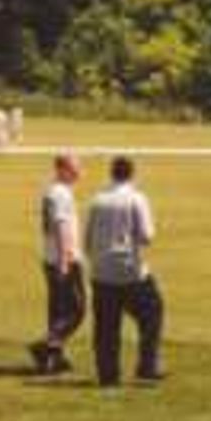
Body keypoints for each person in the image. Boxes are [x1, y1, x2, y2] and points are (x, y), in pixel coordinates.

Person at [85, 155, 165, 386]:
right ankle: (147, 366)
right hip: (130, 270)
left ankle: (108, 375)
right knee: (152, 314)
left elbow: (88, 239)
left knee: (106, 327)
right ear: (132, 173)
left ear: (112, 173)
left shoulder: (97, 199)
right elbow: (147, 236)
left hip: (101, 272)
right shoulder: (136, 199)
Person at [29, 153, 86, 375]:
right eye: (74, 167)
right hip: (64, 259)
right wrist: (65, 260)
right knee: (77, 310)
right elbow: (61, 227)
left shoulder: (53, 191)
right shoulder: (61, 194)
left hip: (50, 258)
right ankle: (45, 346)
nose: (79, 171)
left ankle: (54, 357)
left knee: (58, 311)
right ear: (61, 169)